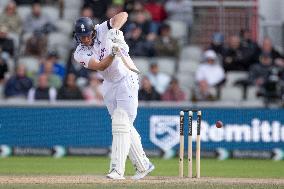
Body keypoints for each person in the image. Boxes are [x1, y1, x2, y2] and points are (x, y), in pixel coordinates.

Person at [73, 13, 154, 180]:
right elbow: (101, 66)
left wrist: (115, 31)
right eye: (81, 37)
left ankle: (117, 170)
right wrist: (113, 53)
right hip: (109, 83)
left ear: (93, 32)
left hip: (126, 78)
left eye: (87, 36)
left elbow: (123, 15)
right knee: (124, 126)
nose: (85, 40)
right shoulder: (79, 53)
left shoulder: (102, 29)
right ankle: (143, 164)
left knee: (121, 122)